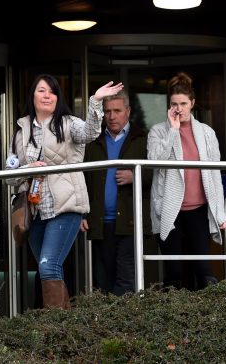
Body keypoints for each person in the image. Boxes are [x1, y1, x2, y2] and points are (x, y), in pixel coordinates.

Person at [6, 74, 124, 308]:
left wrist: (96, 101)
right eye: (41, 90)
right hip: (35, 210)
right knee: (47, 267)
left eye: (52, 91)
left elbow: (91, 133)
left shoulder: (68, 123)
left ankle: (55, 328)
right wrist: (28, 168)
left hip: (66, 206)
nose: (47, 95)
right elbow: (10, 176)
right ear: (33, 95)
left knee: (48, 265)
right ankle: (66, 326)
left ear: (57, 98)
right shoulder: (21, 131)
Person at [147, 71, 226, 290]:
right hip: (169, 210)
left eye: (183, 103)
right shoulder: (158, 131)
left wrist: (220, 213)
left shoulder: (206, 132)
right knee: (173, 272)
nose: (179, 109)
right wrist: (173, 132)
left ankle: (206, 320)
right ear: (169, 105)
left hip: (199, 210)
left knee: (203, 269)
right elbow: (155, 160)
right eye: (174, 104)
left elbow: (215, 174)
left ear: (192, 103)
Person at [81, 90, 151, 296]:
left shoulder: (142, 139)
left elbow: (158, 174)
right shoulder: (93, 142)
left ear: (128, 111)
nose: (111, 116)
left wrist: (135, 175)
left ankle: (125, 326)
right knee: (103, 281)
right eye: (107, 111)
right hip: (100, 223)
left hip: (130, 222)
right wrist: (83, 213)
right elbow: (83, 179)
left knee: (126, 280)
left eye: (117, 111)